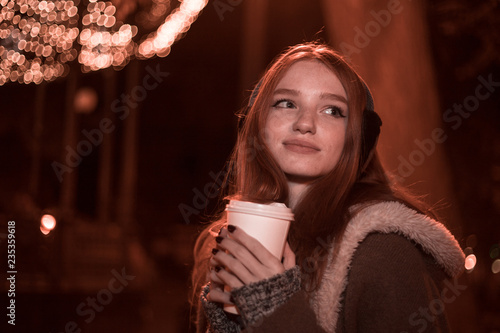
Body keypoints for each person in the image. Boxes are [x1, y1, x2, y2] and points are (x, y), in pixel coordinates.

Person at [190, 42, 465, 333]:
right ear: (257, 124)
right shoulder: (228, 241)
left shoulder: (385, 252)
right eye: (286, 103)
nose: (305, 123)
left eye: (332, 110)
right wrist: (232, 324)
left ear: (358, 138)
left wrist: (275, 312)